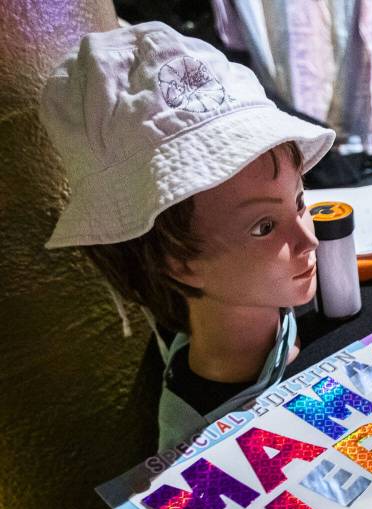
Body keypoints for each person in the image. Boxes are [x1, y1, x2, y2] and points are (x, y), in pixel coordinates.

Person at [39, 21, 337, 451]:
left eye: (299, 201)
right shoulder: (194, 443)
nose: (310, 240)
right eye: (264, 227)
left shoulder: (308, 305)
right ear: (178, 259)